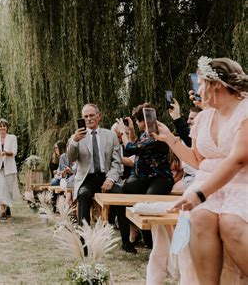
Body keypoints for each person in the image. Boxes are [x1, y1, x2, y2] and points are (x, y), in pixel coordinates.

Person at [155, 57, 248, 283]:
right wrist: (169, 139)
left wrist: (199, 194)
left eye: (201, 83)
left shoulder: (245, 111)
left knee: (231, 223)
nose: (197, 88)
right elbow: (197, 160)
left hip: (241, 183)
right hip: (207, 186)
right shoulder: (204, 117)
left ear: (216, 85)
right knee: (200, 218)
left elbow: (238, 159)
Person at [67, 104, 132, 251]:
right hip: (86, 178)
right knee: (83, 196)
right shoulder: (76, 137)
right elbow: (71, 157)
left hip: (106, 177)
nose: (89, 119)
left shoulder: (111, 135)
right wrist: (75, 141)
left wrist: (110, 179)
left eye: (91, 115)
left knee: (121, 197)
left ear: (99, 116)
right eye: (85, 116)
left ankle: (126, 242)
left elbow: (117, 161)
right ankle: (84, 244)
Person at [0, 118, 20, 220]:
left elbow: (14, 152)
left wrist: (5, 153)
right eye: (0, 126)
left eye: (4, 126)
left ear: (7, 127)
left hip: (9, 167)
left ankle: (6, 207)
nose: (2, 128)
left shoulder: (12, 138)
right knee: (0, 188)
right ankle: (2, 212)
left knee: (8, 189)